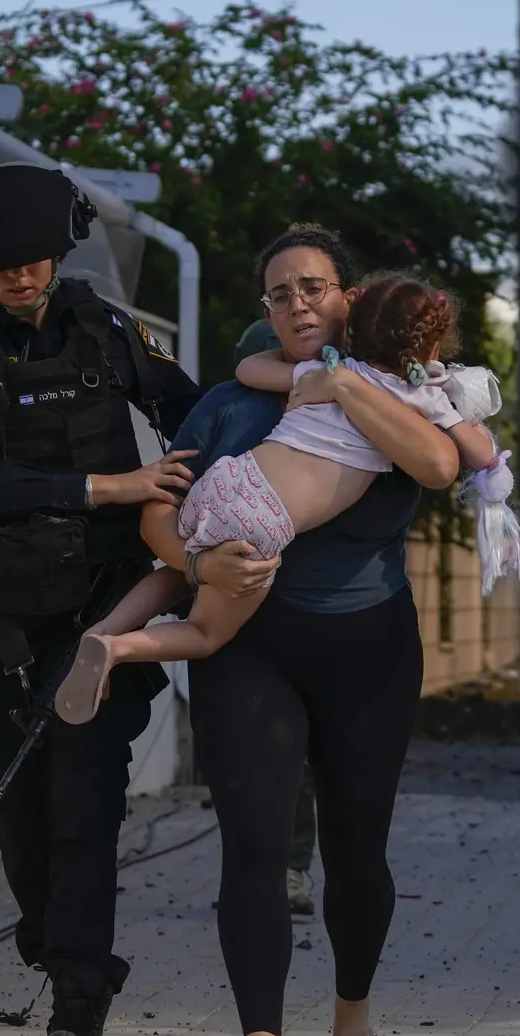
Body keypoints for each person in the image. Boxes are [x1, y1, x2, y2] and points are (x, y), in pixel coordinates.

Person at [140, 223, 465, 1036]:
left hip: (370, 649)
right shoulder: (228, 403)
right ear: (269, 310)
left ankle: (350, 1012)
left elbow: (440, 465)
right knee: (252, 849)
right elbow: (156, 506)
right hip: (251, 646)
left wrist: (341, 384)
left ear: (347, 297)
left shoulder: (401, 390)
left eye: (312, 287)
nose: (297, 304)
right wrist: (194, 561)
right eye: (280, 293)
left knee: (357, 856)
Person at [0, 163, 205, 1036]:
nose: (22, 276)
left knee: (85, 800)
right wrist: (116, 486)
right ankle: (56, 941)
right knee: (19, 802)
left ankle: (79, 993)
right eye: (3, 266)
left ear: (56, 250)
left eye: (34, 258)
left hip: (99, 609)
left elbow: (189, 416)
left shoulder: (108, 330)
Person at [47, 271, 506, 718]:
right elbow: (478, 452)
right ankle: (117, 648)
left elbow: (248, 367)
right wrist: (455, 409)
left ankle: (104, 626)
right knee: (206, 632)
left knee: (181, 570)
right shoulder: (418, 397)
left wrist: (312, 380)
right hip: (262, 520)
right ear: (428, 345)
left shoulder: (328, 370)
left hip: (231, 479)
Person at [234, 320, 323, 922]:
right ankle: (255, 868)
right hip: (239, 604)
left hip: (308, 609)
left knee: (297, 750)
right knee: (247, 750)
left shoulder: (329, 414)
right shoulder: (229, 416)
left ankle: (289, 867)